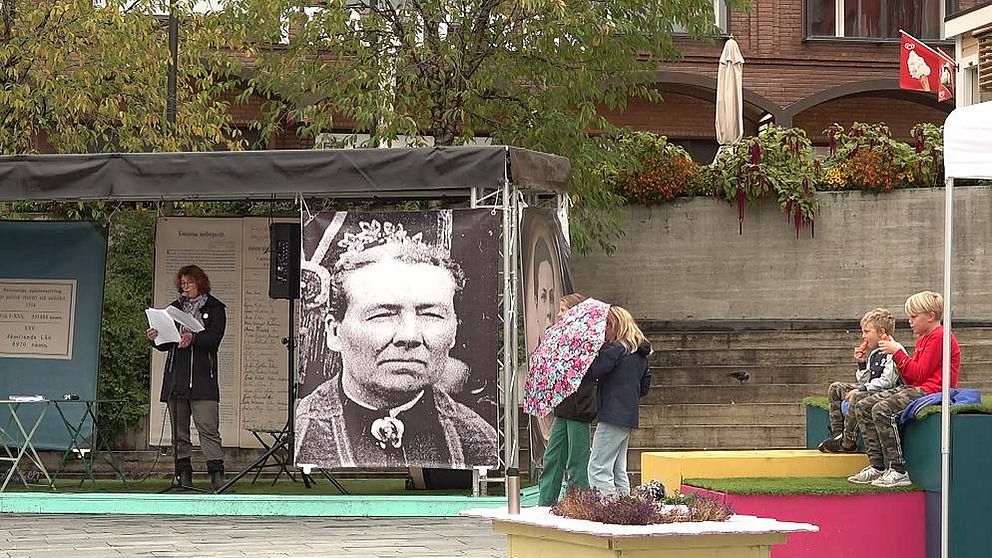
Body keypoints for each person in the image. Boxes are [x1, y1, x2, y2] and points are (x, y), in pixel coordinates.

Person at [295, 236, 498, 469]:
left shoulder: (480, 442)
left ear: (454, 332)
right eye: (383, 314)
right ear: (334, 332)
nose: (409, 336)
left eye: (430, 315)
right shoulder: (301, 434)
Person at [847, 291, 961, 488]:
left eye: (914, 317)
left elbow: (919, 375)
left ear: (931, 316)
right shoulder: (924, 338)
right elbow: (910, 377)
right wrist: (898, 356)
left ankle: (898, 469)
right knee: (863, 404)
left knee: (881, 409)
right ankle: (877, 465)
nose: (910, 321)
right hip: (918, 387)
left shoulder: (940, 337)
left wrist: (898, 352)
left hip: (933, 390)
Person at [147, 265, 227, 491]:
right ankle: (183, 474)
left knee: (208, 428)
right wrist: (155, 337)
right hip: (178, 377)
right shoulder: (174, 309)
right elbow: (165, 343)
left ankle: (216, 475)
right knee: (179, 432)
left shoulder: (215, 308)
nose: (185, 287)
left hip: (203, 379)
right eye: (182, 283)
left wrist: (194, 338)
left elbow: (214, 340)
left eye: (189, 283)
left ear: (200, 283)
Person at [537, 293, 598, 506]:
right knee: (552, 457)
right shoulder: (559, 338)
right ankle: (546, 501)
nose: (560, 314)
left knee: (576, 462)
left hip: (579, 406)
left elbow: (589, 371)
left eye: (564, 309)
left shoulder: (587, 340)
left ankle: (580, 503)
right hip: (563, 406)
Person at [585, 306, 652, 496]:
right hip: (628, 415)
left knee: (598, 467)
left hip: (611, 415)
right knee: (617, 469)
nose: (604, 329)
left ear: (618, 326)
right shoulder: (640, 354)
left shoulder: (615, 349)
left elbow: (594, 372)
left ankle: (608, 508)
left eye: (608, 324)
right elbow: (645, 387)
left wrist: (594, 351)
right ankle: (625, 506)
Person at [818, 308, 900, 453]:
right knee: (836, 388)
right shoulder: (874, 353)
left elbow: (888, 381)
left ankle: (848, 441)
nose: (863, 336)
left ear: (881, 332)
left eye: (867, 332)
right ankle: (838, 434)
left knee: (857, 396)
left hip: (886, 392)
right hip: (871, 388)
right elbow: (865, 379)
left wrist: (862, 389)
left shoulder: (892, 351)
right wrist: (861, 363)